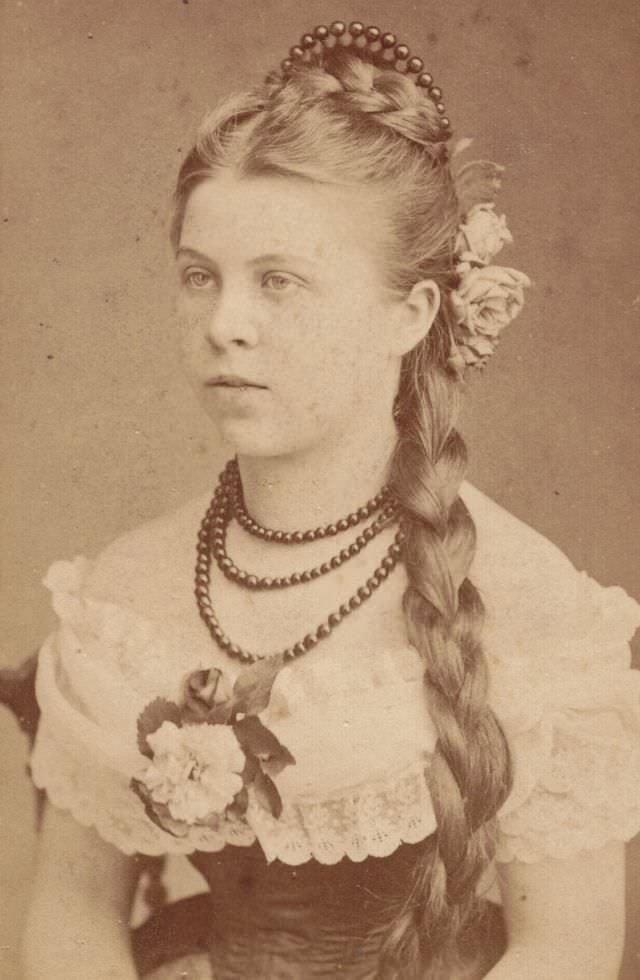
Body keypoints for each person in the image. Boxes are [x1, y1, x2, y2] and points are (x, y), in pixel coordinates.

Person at [21, 20, 640, 980]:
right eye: (200, 276)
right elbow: (71, 910)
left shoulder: (529, 597)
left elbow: (567, 947)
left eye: (281, 282)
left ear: (411, 314)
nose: (226, 325)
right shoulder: (128, 586)